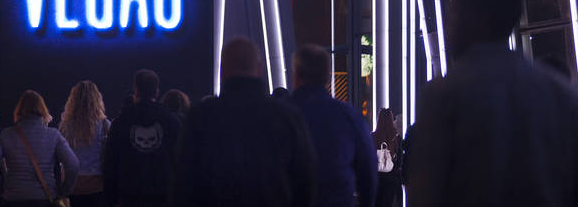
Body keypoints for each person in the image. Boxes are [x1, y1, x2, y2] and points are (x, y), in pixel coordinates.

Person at [405, 0, 578, 207]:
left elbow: (426, 192)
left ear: (476, 19)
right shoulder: (557, 91)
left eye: (456, 15)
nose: (450, 27)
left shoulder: (444, 96)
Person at [176, 37, 316, 207]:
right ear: (259, 69)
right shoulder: (286, 116)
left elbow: (183, 182)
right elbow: (304, 179)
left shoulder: (200, 116)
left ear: (222, 69)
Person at [289, 43, 376, 207]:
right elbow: (368, 171)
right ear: (327, 77)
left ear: (296, 76)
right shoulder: (349, 116)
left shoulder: (280, 116)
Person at [0, 89, 79, 206]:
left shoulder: (7, 135)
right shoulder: (53, 135)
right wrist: (63, 191)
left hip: (13, 198)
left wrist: (1, 187)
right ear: (43, 110)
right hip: (44, 199)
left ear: (19, 111)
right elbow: (73, 164)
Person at [103, 69, 182, 207]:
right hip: (162, 194)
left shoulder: (121, 121)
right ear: (157, 91)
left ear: (136, 90)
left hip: (130, 195)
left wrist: (111, 198)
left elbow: (110, 161)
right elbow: (181, 159)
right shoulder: (170, 120)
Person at [59, 80, 111, 207]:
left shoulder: (65, 126)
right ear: (97, 99)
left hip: (72, 185)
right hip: (97, 186)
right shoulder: (105, 125)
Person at [372, 108, 399, 207]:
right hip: (390, 178)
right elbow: (399, 160)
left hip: (376, 177)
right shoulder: (395, 138)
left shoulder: (373, 137)